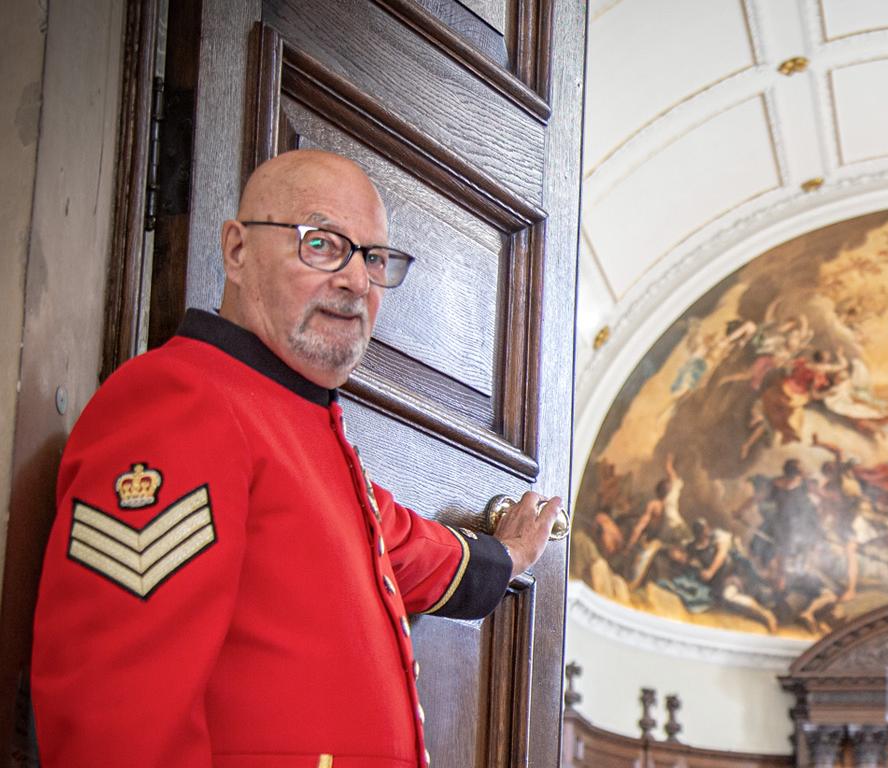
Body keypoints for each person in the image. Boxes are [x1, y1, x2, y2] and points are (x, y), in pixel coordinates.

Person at [31, 150, 565, 766]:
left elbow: (403, 549)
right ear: (237, 250)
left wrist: (509, 554)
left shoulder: (309, 437)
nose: (356, 280)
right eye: (322, 244)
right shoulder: (183, 400)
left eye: (373, 259)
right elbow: (115, 720)